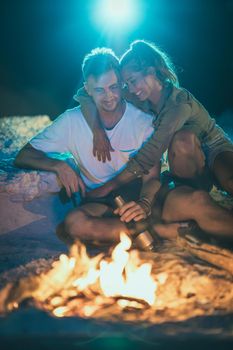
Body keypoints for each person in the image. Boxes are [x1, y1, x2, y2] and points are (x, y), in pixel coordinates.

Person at [73, 39, 233, 241]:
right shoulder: (139, 95)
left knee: (227, 178)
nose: (129, 89)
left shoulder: (178, 103)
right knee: (182, 142)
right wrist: (97, 131)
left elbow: (151, 153)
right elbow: (85, 95)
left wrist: (108, 187)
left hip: (213, 145)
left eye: (132, 81)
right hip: (185, 157)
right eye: (126, 84)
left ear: (150, 71)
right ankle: (196, 204)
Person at [14, 47, 161, 244]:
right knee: (74, 224)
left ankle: (146, 228)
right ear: (87, 89)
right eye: (100, 90)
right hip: (99, 200)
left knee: (164, 206)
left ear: (122, 84)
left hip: (136, 194)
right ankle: (156, 230)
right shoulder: (71, 121)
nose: (109, 96)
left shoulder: (143, 122)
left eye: (114, 87)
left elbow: (152, 176)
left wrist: (144, 204)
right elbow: (24, 155)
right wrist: (58, 166)